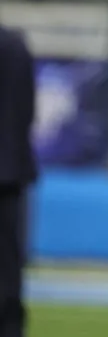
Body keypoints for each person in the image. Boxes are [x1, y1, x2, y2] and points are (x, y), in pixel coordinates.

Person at [0, 25, 37, 337]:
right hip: (12, 172)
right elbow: (28, 109)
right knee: (9, 265)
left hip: (11, 171)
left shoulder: (13, 44)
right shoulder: (15, 44)